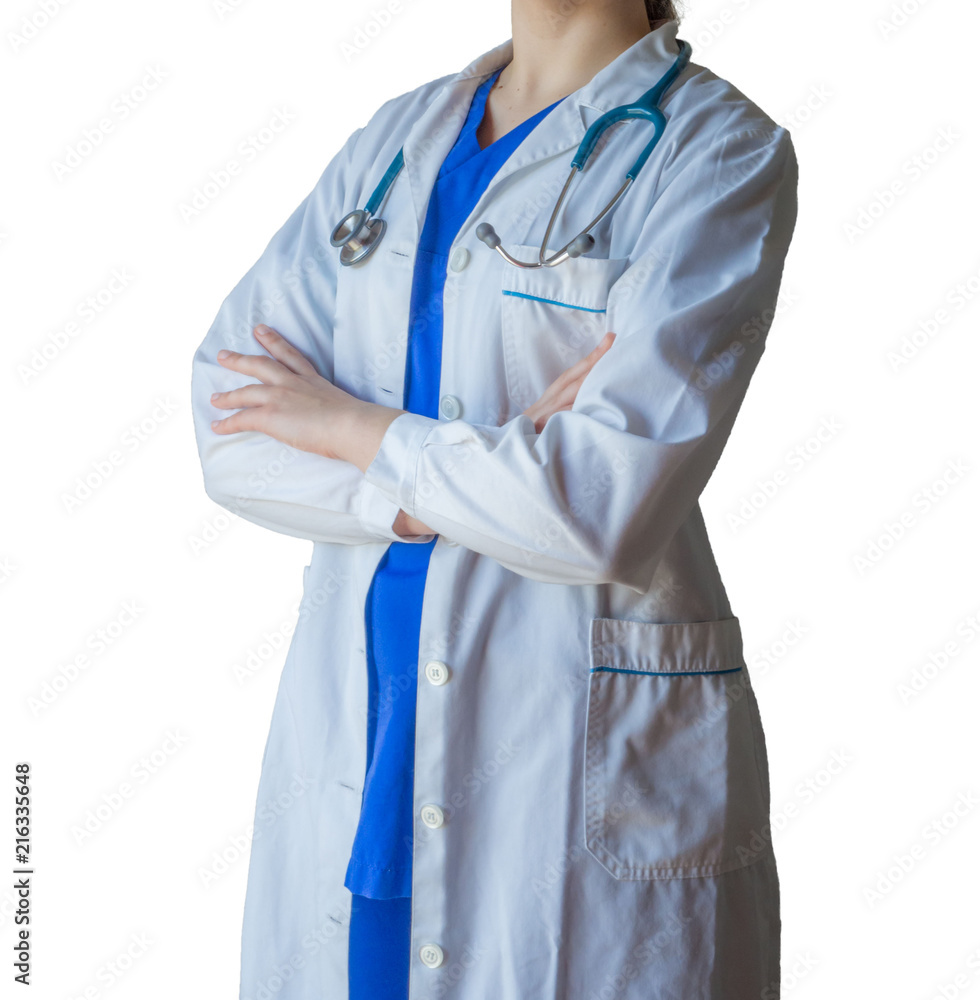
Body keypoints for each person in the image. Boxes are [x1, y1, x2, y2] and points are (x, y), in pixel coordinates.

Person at [190, 0, 799, 997]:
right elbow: (232, 416)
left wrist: (351, 427)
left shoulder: (714, 149)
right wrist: (446, 488)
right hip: (362, 757)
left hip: (561, 773)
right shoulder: (396, 140)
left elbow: (599, 503)